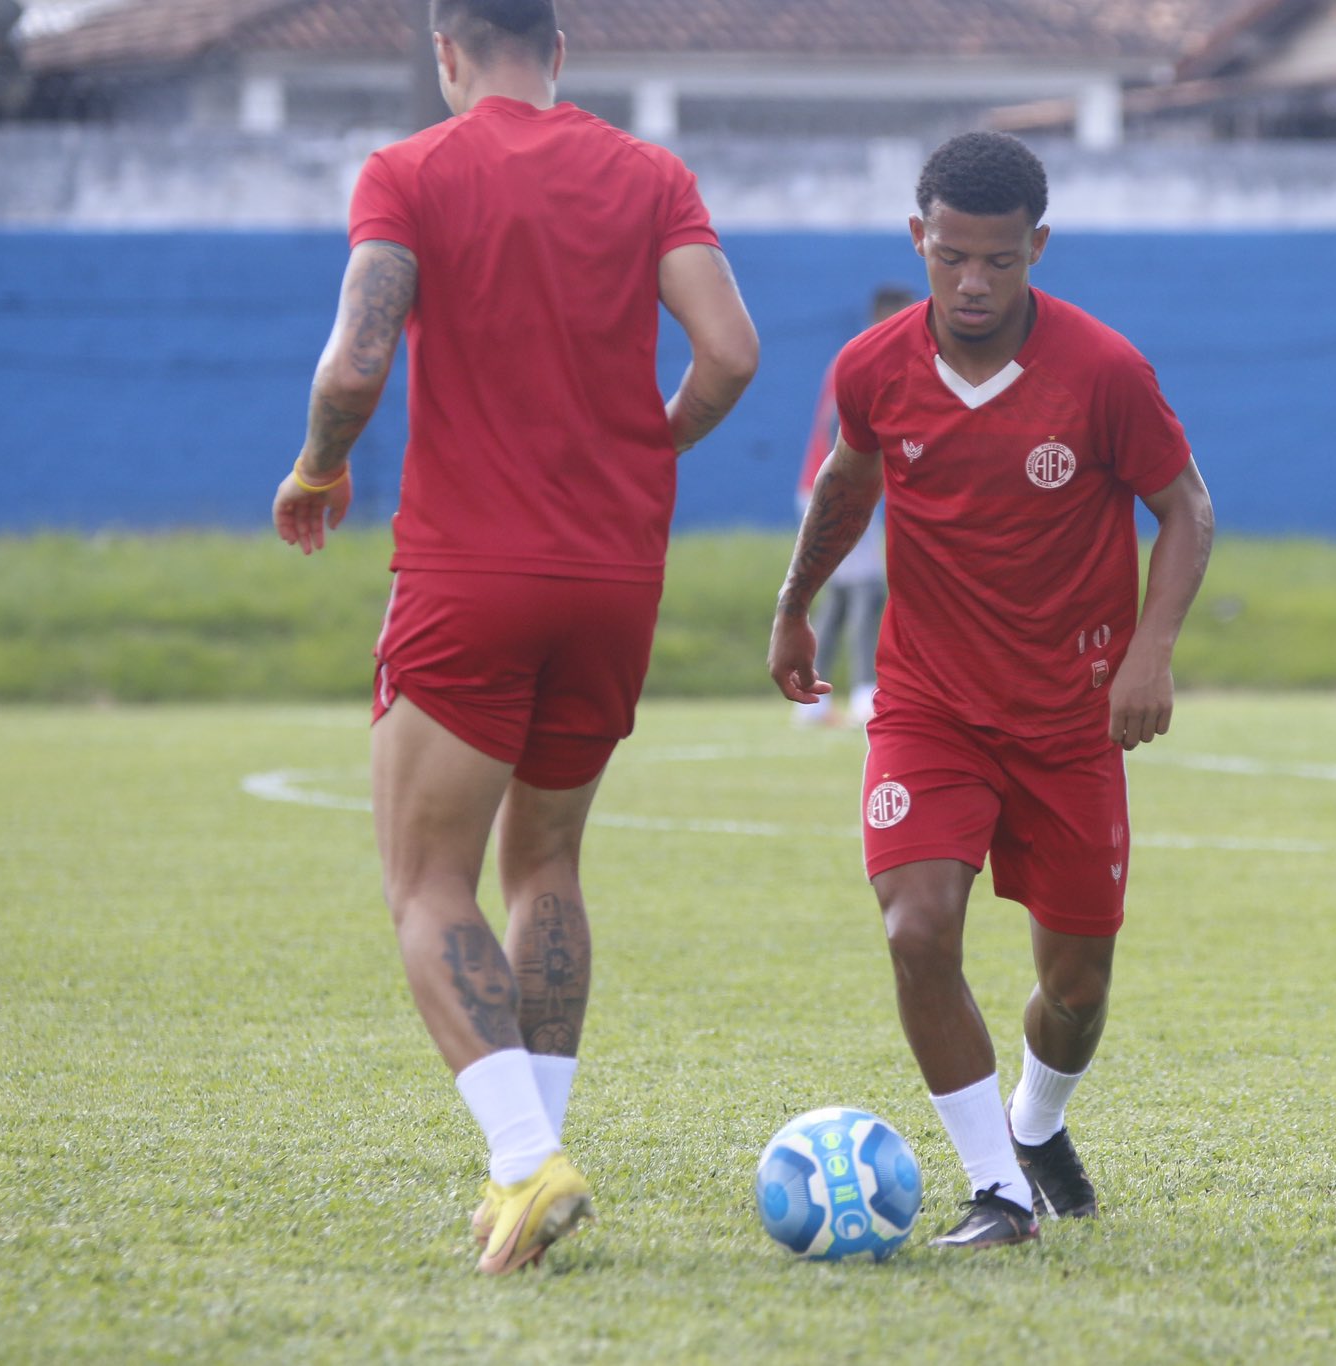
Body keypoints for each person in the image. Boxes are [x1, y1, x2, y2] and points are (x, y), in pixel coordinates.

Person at [270, 0, 756, 1276]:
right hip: (613, 574)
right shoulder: (650, 174)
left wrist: (320, 466)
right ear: (559, 51)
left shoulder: (409, 168)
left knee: (427, 882)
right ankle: (523, 1172)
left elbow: (356, 362)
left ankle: (522, 1158)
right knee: (547, 864)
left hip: (469, 572)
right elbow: (731, 354)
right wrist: (642, 449)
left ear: (444, 52)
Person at [767, 131, 1214, 1250]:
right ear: (918, 239)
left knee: (1074, 988)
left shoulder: (1102, 372)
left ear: (1037, 250)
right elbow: (846, 478)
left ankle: (1034, 1122)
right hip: (929, 707)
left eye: (998, 262)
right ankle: (996, 1191)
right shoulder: (872, 367)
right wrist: (794, 603)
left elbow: (1187, 509)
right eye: (950, 256)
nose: (971, 283)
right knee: (917, 930)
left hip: (1069, 719)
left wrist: (1148, 653)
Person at [790, 284, 913, 729]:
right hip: (838, 490)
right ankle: (865, 694)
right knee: (870, 589)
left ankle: (812, 702)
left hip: (822, 487)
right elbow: (836, 423)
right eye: (904, 314)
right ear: (884, 314)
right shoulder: (871, 356)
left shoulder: (856, 355)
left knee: (840, 596)